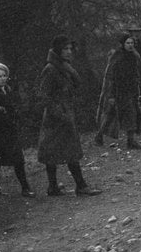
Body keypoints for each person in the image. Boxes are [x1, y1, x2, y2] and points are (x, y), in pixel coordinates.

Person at [38, 35, 100, 196]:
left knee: (70, 150)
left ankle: (71, 186)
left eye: (70, 48)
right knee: (52, 152)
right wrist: (60, 113)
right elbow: (44, 96)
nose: (69, 51)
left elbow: (74, 87)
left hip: (65, 113)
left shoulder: (65, 67)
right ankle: (68, 186)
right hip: (55, 118)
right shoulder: (51, 69)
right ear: (58, 50)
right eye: (65, 49)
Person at [0, 63, 34, 197]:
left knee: (18, 160)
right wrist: (2, 111)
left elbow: (13, 108)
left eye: (4, 76)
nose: (3, 79)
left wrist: (9, 112)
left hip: (10, 130)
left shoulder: (7, 90)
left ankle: (25, 188)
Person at [96, 34, 141, 149]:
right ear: (123, 44)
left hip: (130, 91)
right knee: (110, 115)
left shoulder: (134, 56)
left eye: (132, 43)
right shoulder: (117, 57)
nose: (130, 45)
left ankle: (131, 141)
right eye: (128, 43)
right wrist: (111, 95)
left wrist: (137, 89)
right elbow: (110, 77)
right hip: (119, 91)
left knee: (132, 113)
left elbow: (136, 73)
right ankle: (99, 135)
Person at [126, 24, 141, 132]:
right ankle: (132, 123)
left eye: (137, 32)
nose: (135, 34)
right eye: (133, 32)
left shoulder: (139, 44)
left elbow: (140, 59)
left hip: (138, 74)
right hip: (128, 75)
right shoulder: (126, 44)